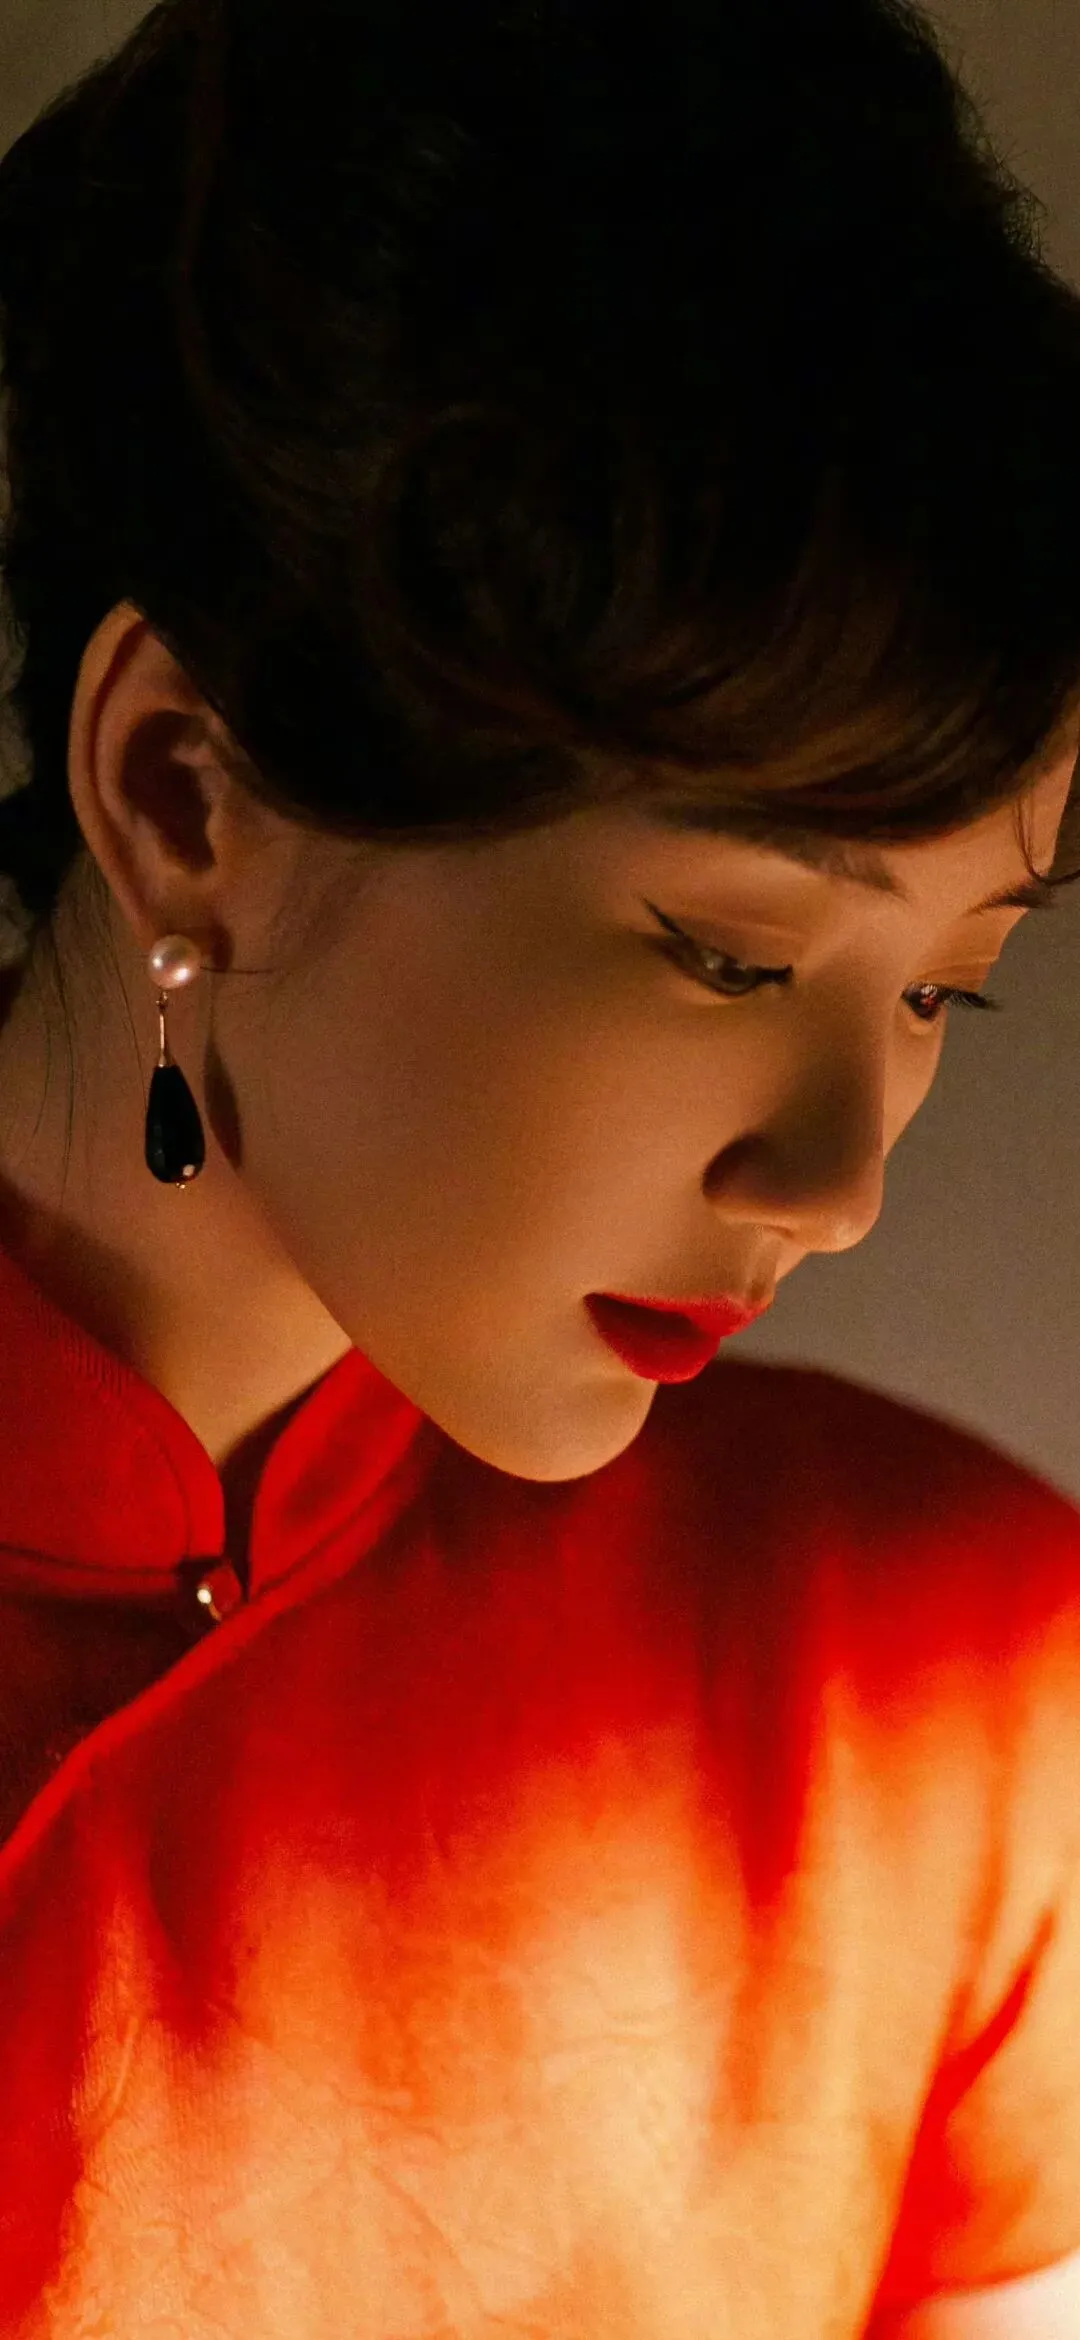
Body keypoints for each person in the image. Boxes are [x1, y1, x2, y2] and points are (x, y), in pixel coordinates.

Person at [0, 0, 1079, 2331]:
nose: (840, 1177)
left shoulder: (952, 1691)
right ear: (185, 797)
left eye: (944, 991)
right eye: (725, 952)